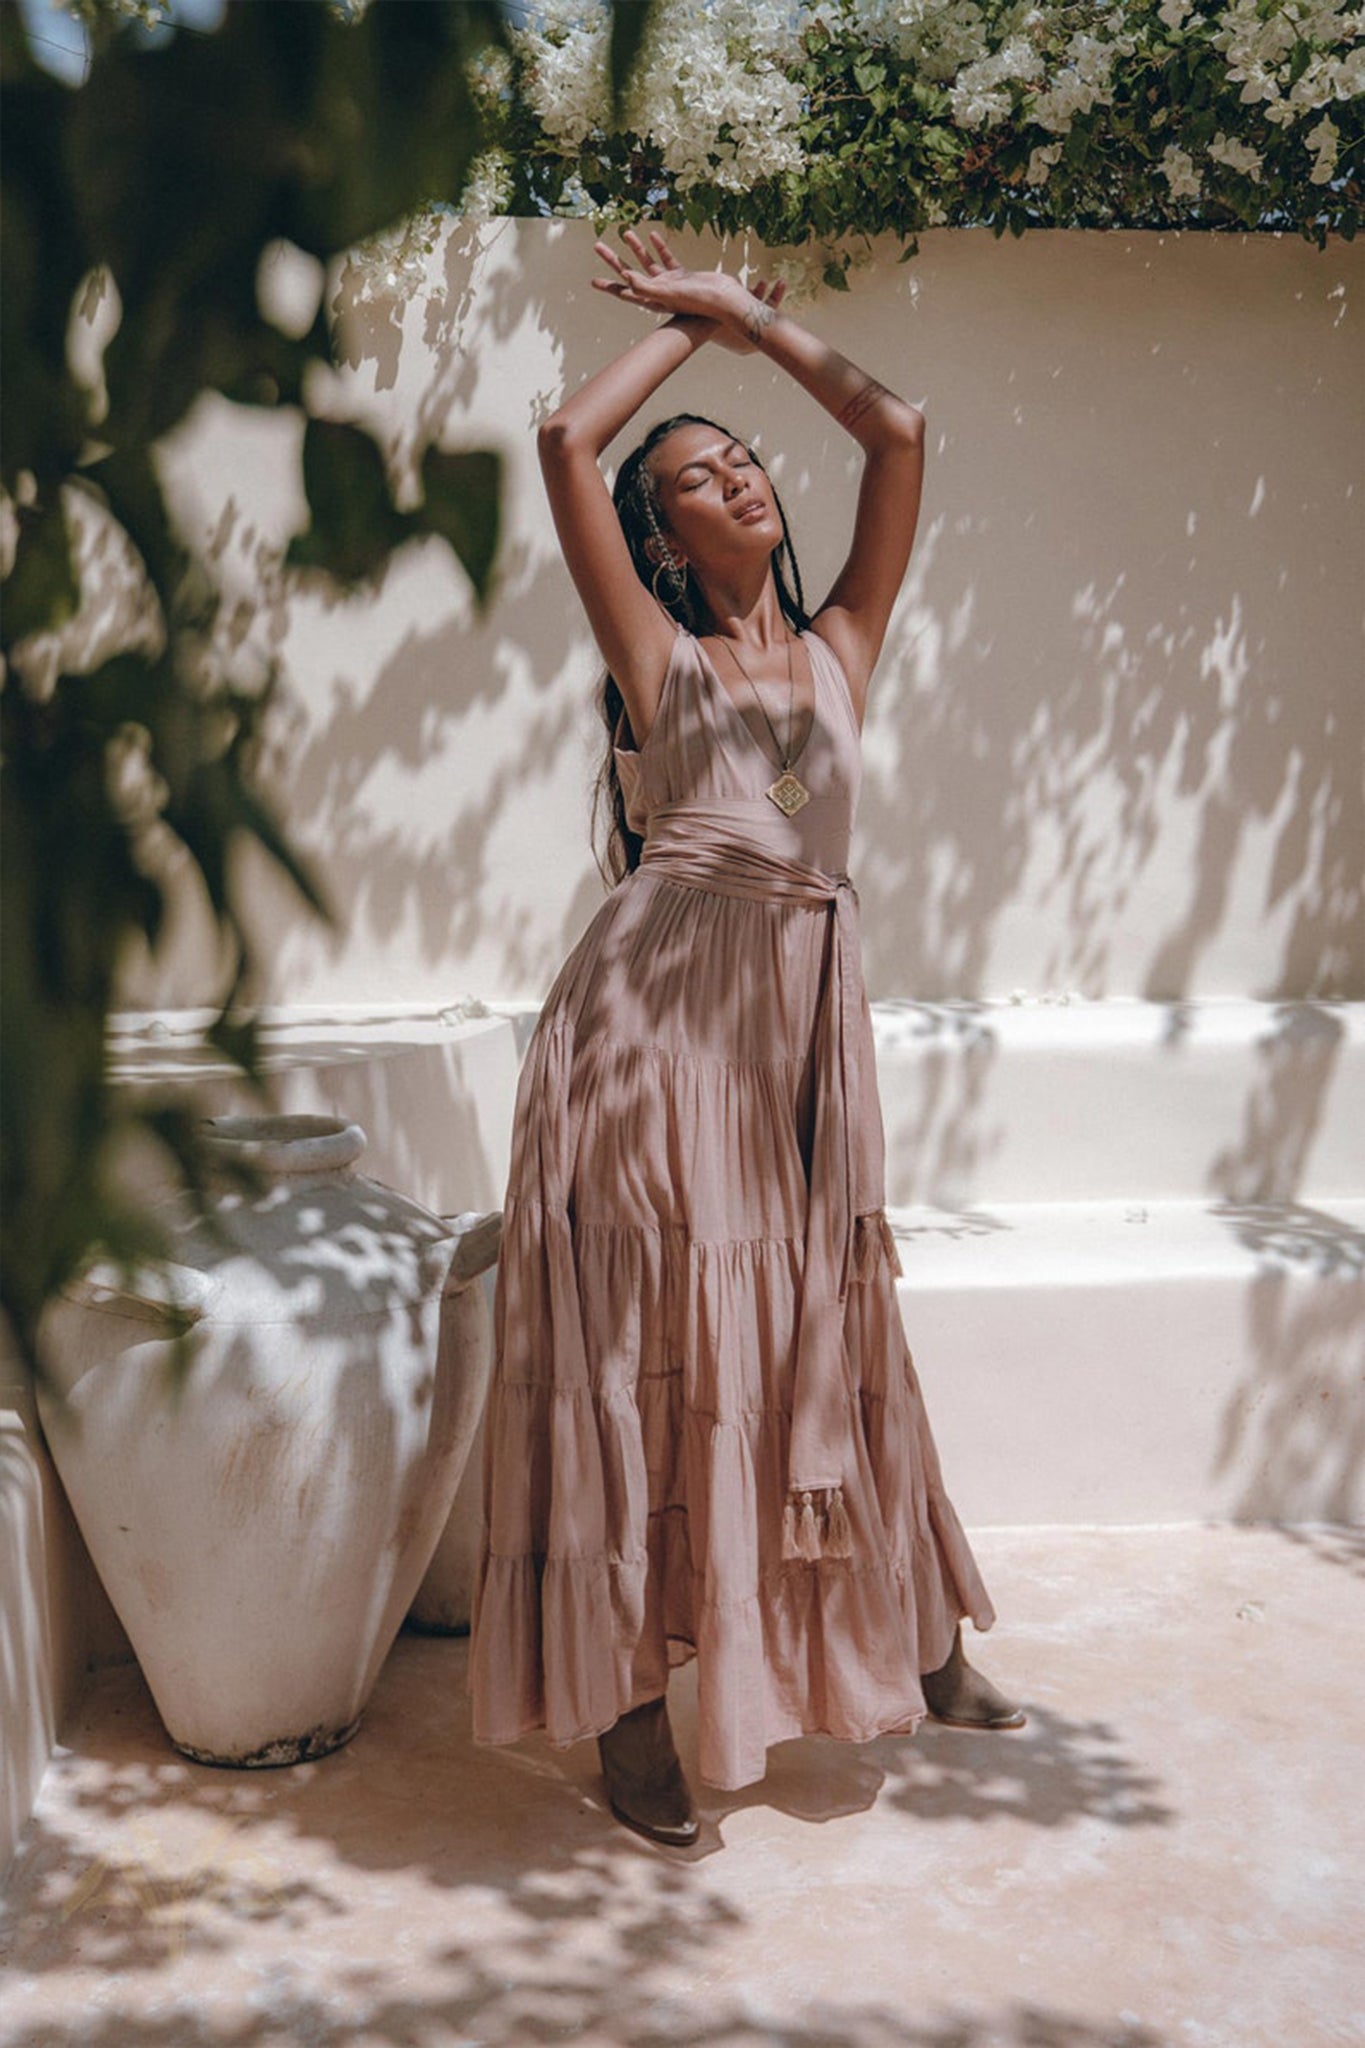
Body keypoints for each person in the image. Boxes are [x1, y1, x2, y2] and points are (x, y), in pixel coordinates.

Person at [468, 227, 1024, 1848]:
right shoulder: (660, 658)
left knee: (823, 1318)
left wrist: (755, 327)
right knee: (652, 1344)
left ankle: (909, 1634)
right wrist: (686, 345)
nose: (737, 484)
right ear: (654, 544)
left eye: (744, 468)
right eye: (699, 482)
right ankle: (633, 1718)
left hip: (793, 1035)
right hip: (649, 1029)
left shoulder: (841, 643)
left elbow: (898, 435)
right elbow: (568, 442)